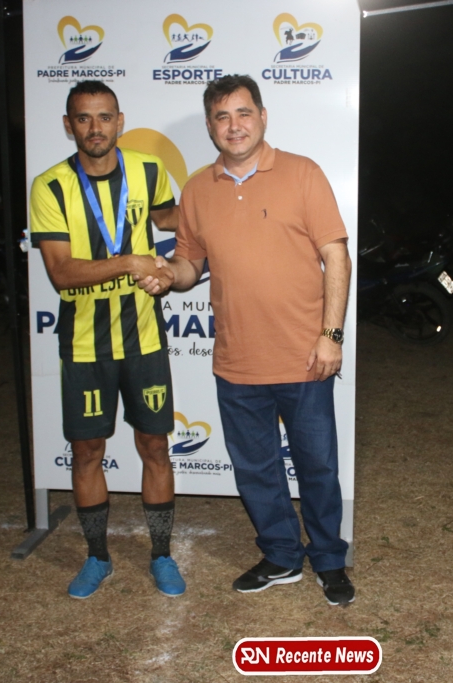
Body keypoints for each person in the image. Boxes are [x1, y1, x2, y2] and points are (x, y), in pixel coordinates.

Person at [139, 75, 355, 606]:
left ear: (262, 116)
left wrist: (330, 336)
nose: (233, 125)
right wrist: (167, 276)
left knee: (318, 467)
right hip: (236, 361)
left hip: (305, 357)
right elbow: (189, 265)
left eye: (243, 113)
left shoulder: (303, 173)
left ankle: (329, 559)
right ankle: (282, 555)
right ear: (210, 126)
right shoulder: (197, 189)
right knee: (255, 470)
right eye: (222, 117)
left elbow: (336, 256)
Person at [29, 80, 185, 599]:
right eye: (83, 118)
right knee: (87, 452)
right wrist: (130, 261)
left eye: (104, 117)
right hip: (84, 344)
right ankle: (97, 557)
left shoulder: (148, 170)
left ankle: (161, 555)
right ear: (68, 125)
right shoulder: (50, 186)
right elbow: (61, 273)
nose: (94, 128)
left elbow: (169, 217)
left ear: (120, 121)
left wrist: (212, 211)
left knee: (155, 446)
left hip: (144, 338)